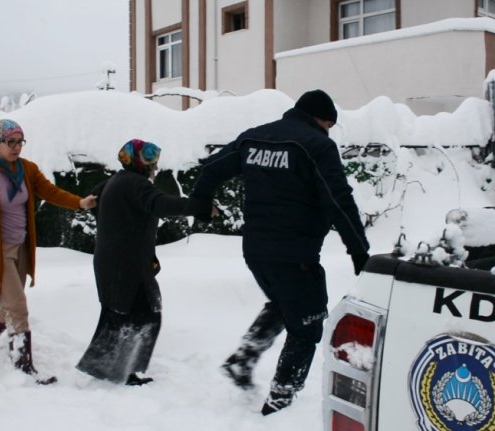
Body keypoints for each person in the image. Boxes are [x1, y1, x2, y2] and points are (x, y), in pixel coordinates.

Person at [188, 89, 371, 415]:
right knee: (308, 326)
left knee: (285, 304)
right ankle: (281, 402)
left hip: (256, 251)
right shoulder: (316, 145)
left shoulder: (254, 138)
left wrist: (201, 204)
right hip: (295, 254)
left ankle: (243, 359)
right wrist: (358, 252)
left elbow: (212, 167)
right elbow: (338, 199)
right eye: (329, 125)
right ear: (324, 119)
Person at [0, 119, 97, 385]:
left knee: (10, 301)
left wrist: (79, 202)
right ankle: (23, 364)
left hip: (21, 247)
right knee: (18, 305)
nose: (17, 147)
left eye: (20, 142)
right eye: (10, 142)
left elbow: (49, 192)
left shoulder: (26, 169)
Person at [76, 138, 200, 385]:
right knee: (142, 314)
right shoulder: (136, 184)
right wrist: (200, 206)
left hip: (116, 261)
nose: (155, 164)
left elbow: (95, 202)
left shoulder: (115, 181)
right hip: (125, 264)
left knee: (123, 314)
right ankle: (112, 369)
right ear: (138, 161)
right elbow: (161, 204)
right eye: (150, 157)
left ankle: (111, 368)